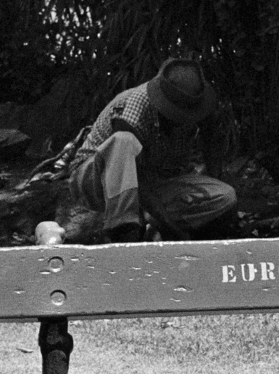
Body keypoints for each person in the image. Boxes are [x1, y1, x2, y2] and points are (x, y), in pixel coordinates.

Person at [69, 58, 238, 242]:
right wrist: (168, 224)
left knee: (226, 196)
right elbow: (133, 174)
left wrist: (220, 207)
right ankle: (123, 228)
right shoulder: (134, 107)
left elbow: (211, 143)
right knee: (123, 141)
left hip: (154, 181)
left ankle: (150, 224)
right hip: (98, 181)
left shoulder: (198, 106)